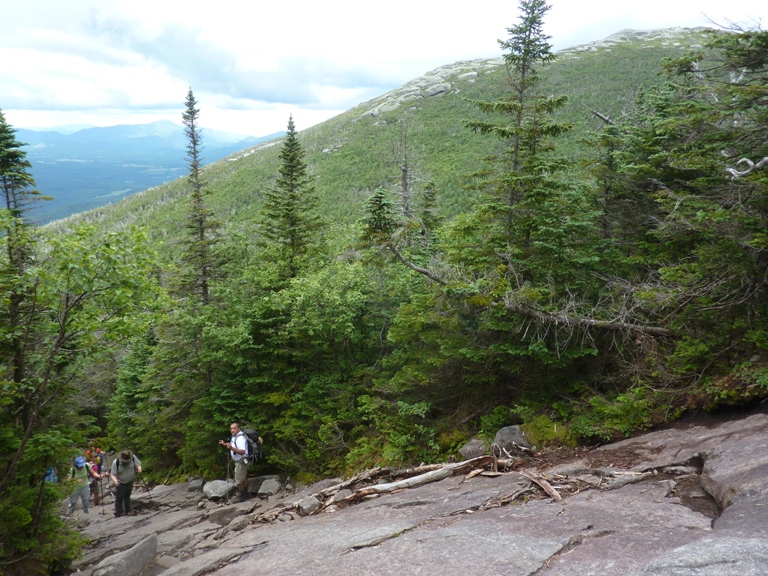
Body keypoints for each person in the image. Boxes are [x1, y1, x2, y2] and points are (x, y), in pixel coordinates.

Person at [219, 422, 249, 502]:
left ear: (238, 428)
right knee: (244, 477)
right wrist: (225, 444)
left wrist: (231, 448)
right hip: (239, 461)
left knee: (238, 480)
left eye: (234, 428)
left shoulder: (240, 438)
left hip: (242, 461)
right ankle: (246, 493)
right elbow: (233, 446)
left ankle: (243, 495)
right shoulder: (234, 436)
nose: (232, 430)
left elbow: (242, 451)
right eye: (231, 428)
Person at [109, 449, 142, 517]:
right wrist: (115, 481)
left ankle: (128, 510)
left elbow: (138, 464)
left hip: (130, 481)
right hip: (121, 483)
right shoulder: (116, 462)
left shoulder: (133, 458)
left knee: (127, 496)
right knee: (119, 498)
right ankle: (118, 513)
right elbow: (112, 474)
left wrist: (139, 468)